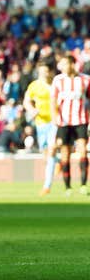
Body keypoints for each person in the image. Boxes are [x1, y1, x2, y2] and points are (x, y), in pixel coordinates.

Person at [51, 54, 90, 196]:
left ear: (73, 64)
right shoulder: (58, 80)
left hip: (81, 121)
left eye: (65, 64)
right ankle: (68, 187)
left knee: (82, 150)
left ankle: (84, 185)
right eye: (62, 64)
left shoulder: (85, 80)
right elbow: (53, 101)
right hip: (63, 122)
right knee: (65, 154)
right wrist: (54, 118)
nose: (63, 67)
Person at [23, 60, 58, 196]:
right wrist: (32, 109)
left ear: (50, 72)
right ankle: (58, 161)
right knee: (46, 153)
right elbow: (26, 101)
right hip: (40, 123)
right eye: (41, 72)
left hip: (55, 122)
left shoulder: (55, 84)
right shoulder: (34, 86)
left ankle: (47, 186)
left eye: (46, 71)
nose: (43, 74)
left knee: (51, 150)